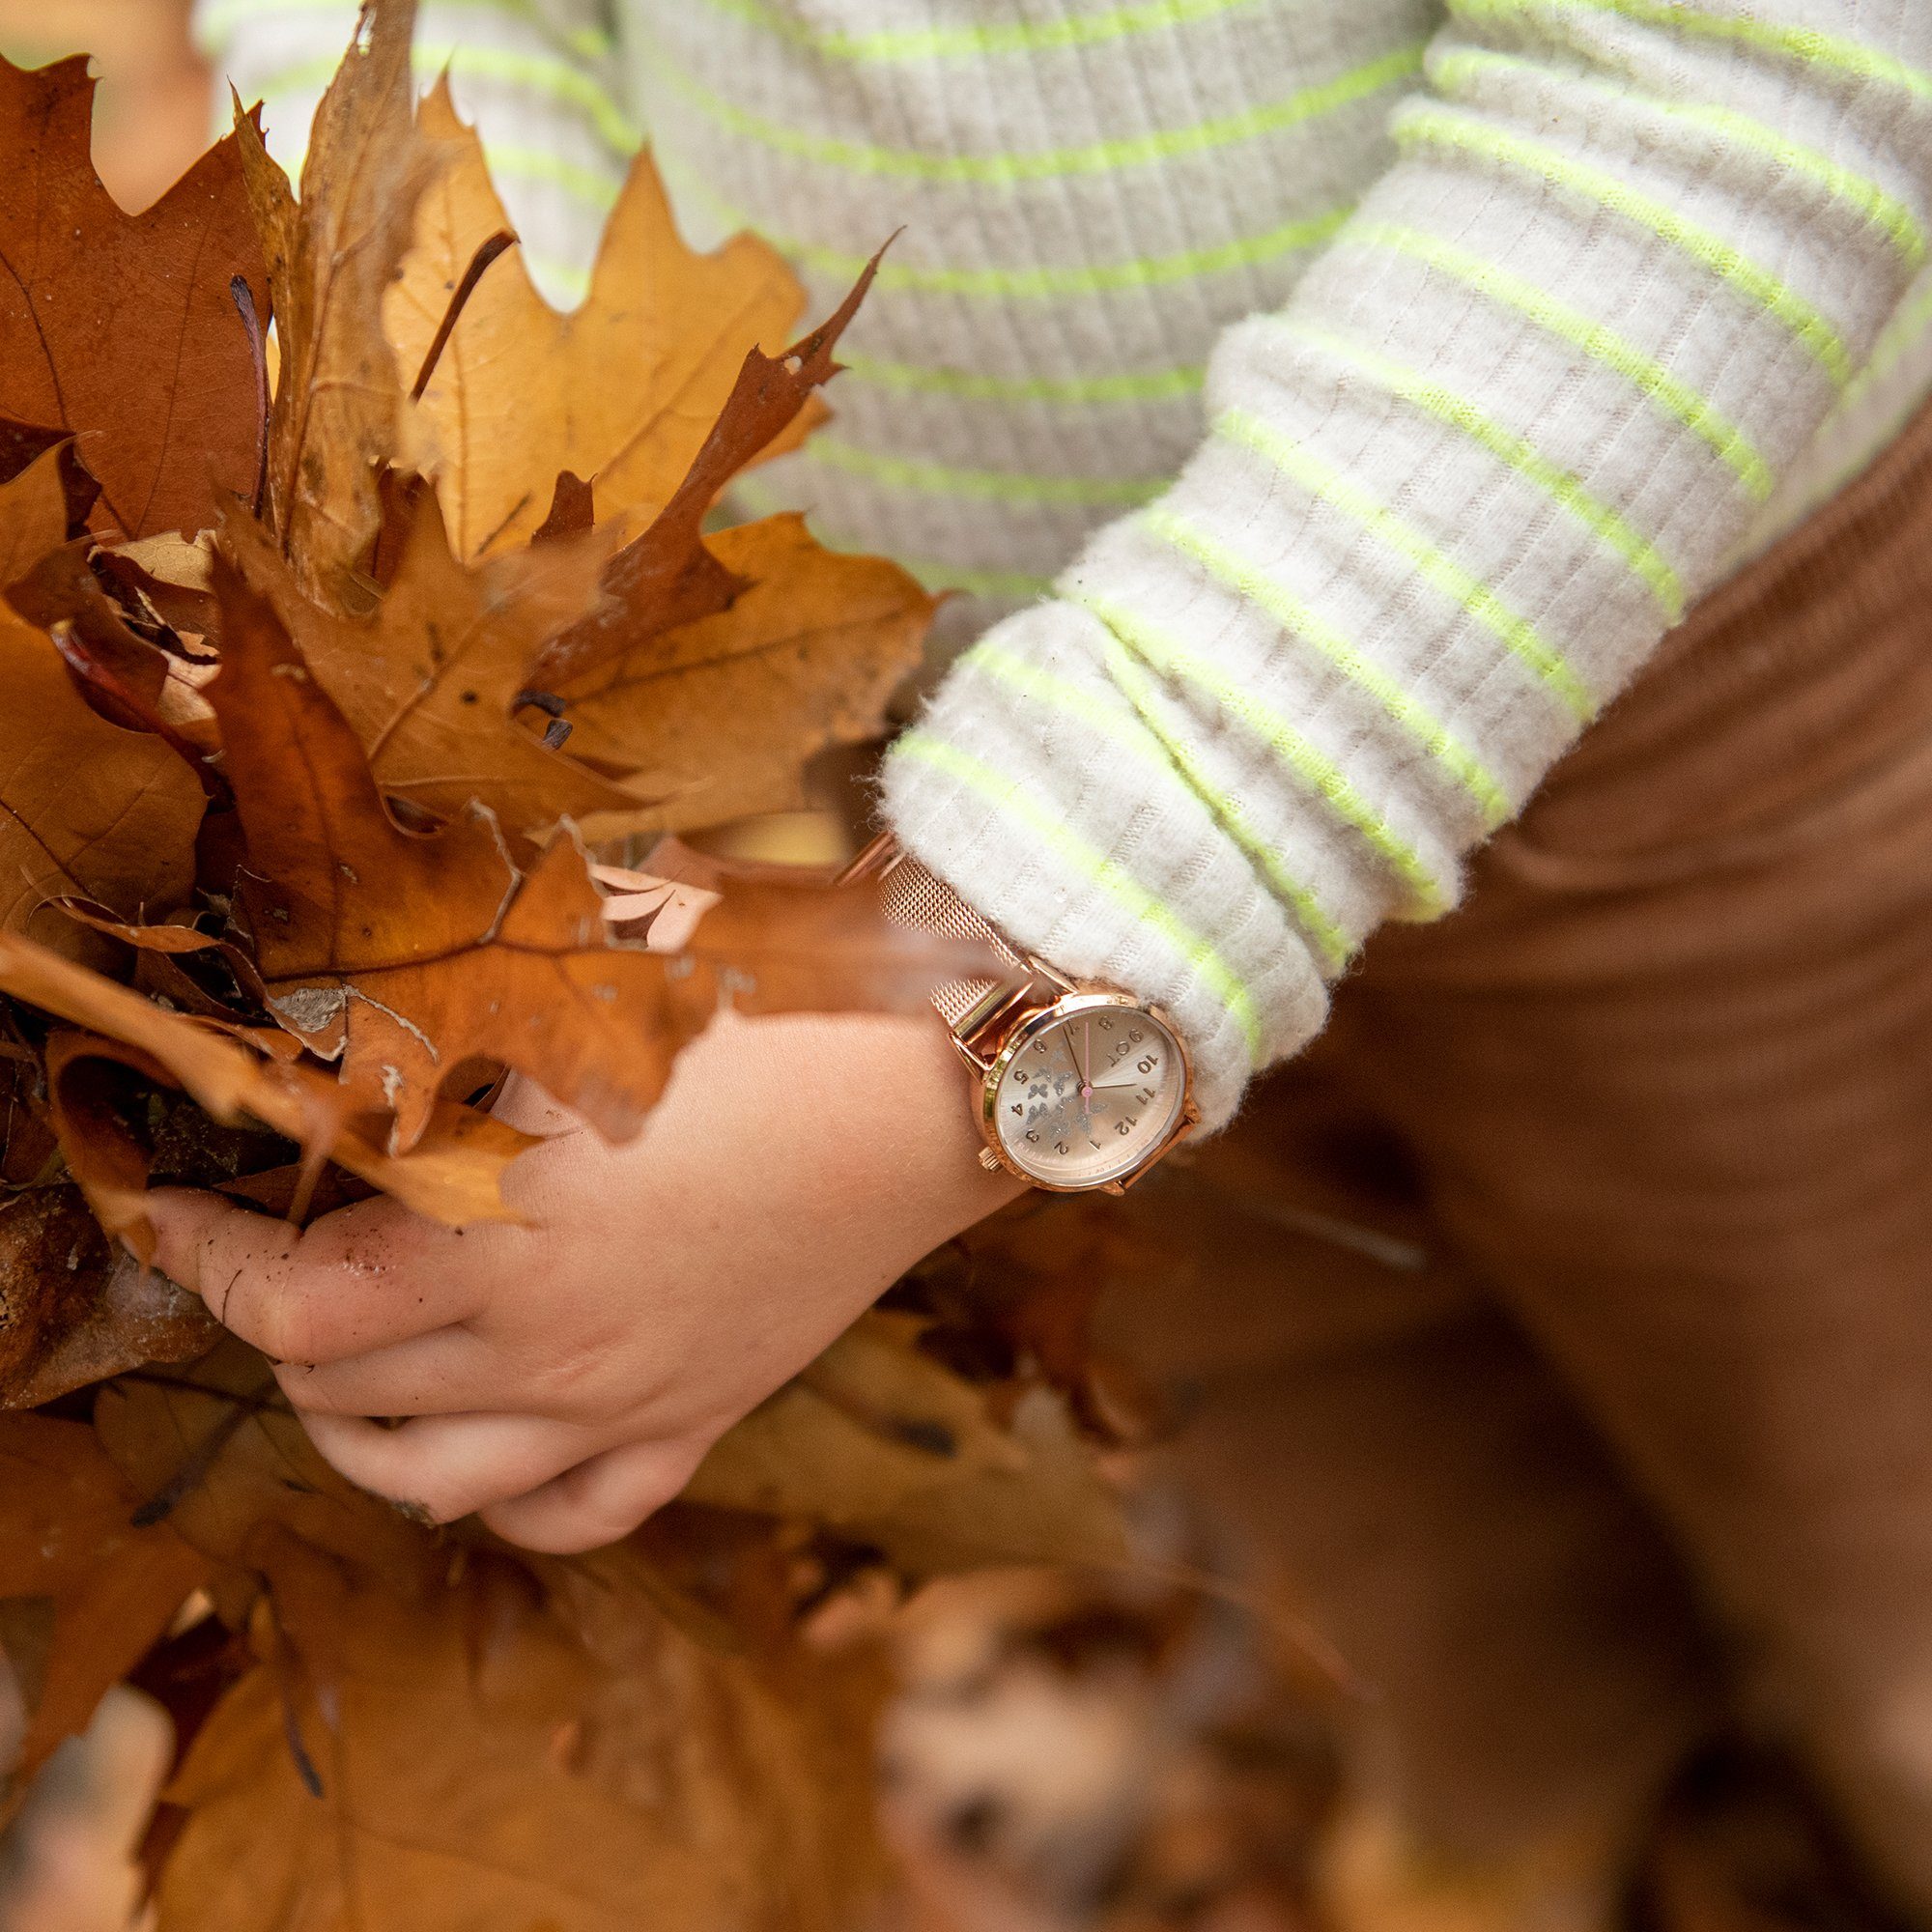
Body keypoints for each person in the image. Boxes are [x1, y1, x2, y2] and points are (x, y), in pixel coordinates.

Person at [155, 0, 1932, 1911]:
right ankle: (1558, 1805)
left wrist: (992, 968)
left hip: (1709, 734)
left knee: (1868, 1500)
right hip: (959, 738)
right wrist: (554, 569)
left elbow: (1763, 67)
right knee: (1363, 1470)